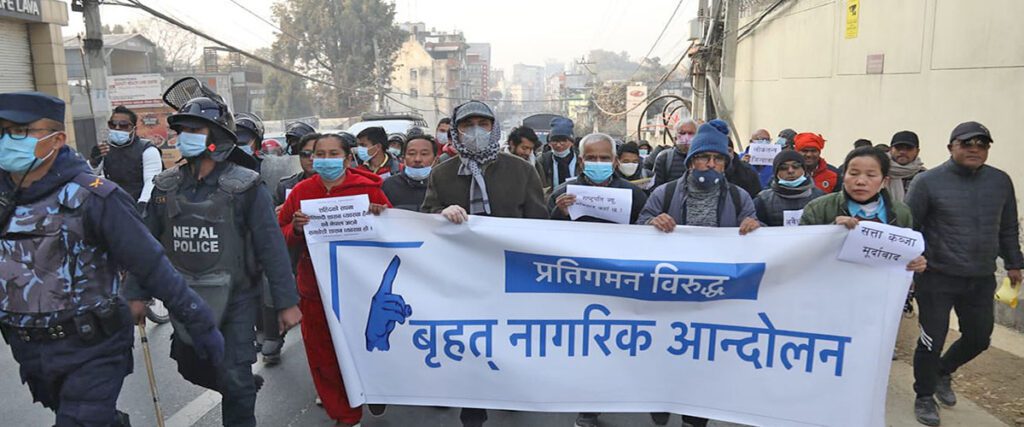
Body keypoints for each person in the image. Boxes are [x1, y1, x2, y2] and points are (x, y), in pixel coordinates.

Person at [0, 92, 224, 427]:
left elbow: (151, 264)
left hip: (91, 348)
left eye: (19, 131)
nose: (7, 141)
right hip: (29, 348)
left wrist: (199, 322)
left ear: (57, 139)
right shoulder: (6, 199)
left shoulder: (94, 197)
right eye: (1, 131)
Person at [126, 94, 302, 427]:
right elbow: (146, 245)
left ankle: (239, 387)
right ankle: (239, 385)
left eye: (196, 130)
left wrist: (286, 302)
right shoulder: (166, 186)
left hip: (237, 298)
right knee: (189, 365)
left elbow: (271, 247)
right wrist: (135, 293)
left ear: (217, 137)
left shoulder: (246, 187)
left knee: (234, 376)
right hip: (185, 297)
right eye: (183, 130)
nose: (186, 137)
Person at [421, 100, 546, 427]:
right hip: (461, 278)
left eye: (483, 123)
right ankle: (472, 410)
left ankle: (508, 389)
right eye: (467, 124)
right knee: (470, 343)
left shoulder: (521, 170)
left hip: (509, 277)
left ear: (494, 128)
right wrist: (440, 214)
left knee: (507, 342)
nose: (476, 130)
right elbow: (425, 220)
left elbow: (539, 224)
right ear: (456, 130)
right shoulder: (442, 173)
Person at [637, 122, 760, 427]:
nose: (711, 164)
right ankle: (661, 401)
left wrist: (755, 228)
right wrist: (653, 222)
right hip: (669, 293)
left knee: (705, 358)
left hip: (716, 296)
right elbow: (640, 226)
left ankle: (695, 416)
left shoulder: (739, 198)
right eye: (704, 157)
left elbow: (758, 240)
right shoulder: (665, 193)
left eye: (718, 159)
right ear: (691, 161)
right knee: (666, 353)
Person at [904, 121, 1022, 427]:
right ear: (951, 147)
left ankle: (943, 371)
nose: (975, 149)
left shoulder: (1000, 181)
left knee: (979, 338)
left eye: (982, 144)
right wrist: (910, 264)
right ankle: (924, 395)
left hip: (980, 277)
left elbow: (1008, 226)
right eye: (967, 143)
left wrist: (1014, 262)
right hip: (937, 277)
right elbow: (909, 228)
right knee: (931, 340)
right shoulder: (927, 182)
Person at [279, 133, 392, 427]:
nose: (326, 160)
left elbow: (394, 234)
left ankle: (373, 389)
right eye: (320, 154)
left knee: (366, 347)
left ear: (347, 158)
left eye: (333, 154)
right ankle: (345, 415)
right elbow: (278, 235)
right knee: (323, 355)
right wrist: (296, 229)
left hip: (360, 288)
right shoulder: (301, 191)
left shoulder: (369, 190)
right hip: (315, 288)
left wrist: (381, 215)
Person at [549, 133, 648, 225]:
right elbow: (549, 230)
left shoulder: (634, 194)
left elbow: (643, 225)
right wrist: (560, 212)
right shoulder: (561, 194)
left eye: (604, 158)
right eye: (591, 158)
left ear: (615, 161)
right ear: (581, 161)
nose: (598, 162)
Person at [89, 105, 163, 209]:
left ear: (134, 129)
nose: (117, 128)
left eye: (123, 125)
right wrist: (93, 161)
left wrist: (142, 205)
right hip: (114, 204)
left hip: (141, 205)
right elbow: (90, 177)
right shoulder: (105, 148)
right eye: (112, 124)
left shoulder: (148, 150)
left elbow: (151, 181)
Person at [754, 149, 825, 226]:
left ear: (804, 170)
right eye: (783, 167)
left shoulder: (821, 197)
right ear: (776, 173)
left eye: (796, 166)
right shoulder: (763, 200)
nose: (790, 171)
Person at [705, 119, 763, 198]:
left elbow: (755, 200)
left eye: (728, 151)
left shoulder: (747, 173)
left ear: (731, 151)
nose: (711, 163)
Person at [383, 133, 436, 211]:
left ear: (435, 160)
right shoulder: (389, 185)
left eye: (424, 154)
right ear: (403, 158)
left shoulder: (443, 186)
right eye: (412, 154)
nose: (417, 159)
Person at [274, 132, 321, 206]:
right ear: (299, 156)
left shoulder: (339, 184)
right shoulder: (285, 186)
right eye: (306, 154)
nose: (311, 158)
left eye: (318, 154)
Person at [535, 117, 579, 191]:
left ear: (571, 142)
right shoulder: (542, 161)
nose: (558, 145)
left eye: (563, 141)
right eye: (555, 141)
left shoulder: (580, 161)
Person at [652, 118, 698, 188]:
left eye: (690, 133)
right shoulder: (664, 157)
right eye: (682, 133)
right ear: (675, 138)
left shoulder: (704, 158)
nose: (686, 137)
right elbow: (656, 188)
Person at [886, 130, 926, 202]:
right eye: (898, 148)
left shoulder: (924, 177)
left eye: (908, 148)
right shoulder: (879, 172)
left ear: (917, 151)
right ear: (891, 149)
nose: (903, 152)